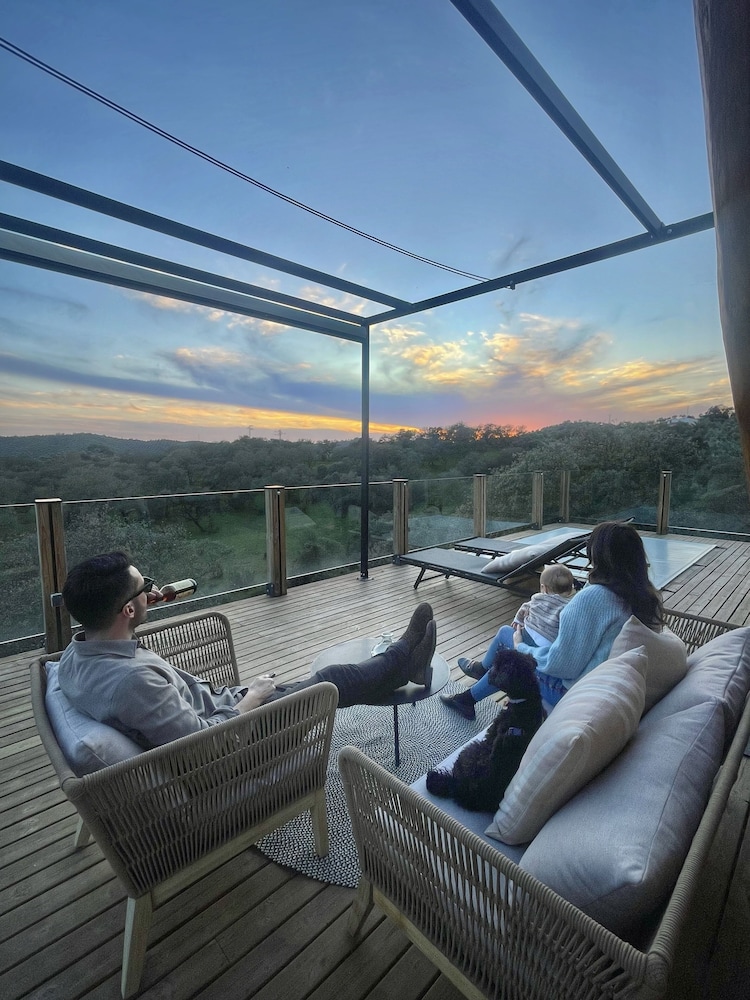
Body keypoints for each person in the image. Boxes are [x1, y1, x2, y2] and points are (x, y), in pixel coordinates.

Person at [57, 551, 436, 751]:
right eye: (145, 588)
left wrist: (241, 697)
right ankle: (403, 659)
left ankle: (402, 667)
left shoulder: (75, 656)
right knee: (331, 682)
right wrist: (251, 698)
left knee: (322, 686)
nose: (153, 592)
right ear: (127, 610)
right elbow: (206, 745)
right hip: (239, 743)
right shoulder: (132, 682)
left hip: (222, 707)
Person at [441, 522, 663, 720]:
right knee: (511, 648)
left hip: (569, 691)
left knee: (510, 651)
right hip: (606, 686)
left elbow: (561, 665)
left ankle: (473, 687)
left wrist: (522, 646)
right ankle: (470, 692)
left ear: (598, 556)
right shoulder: (647, 597)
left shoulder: (595, 598)